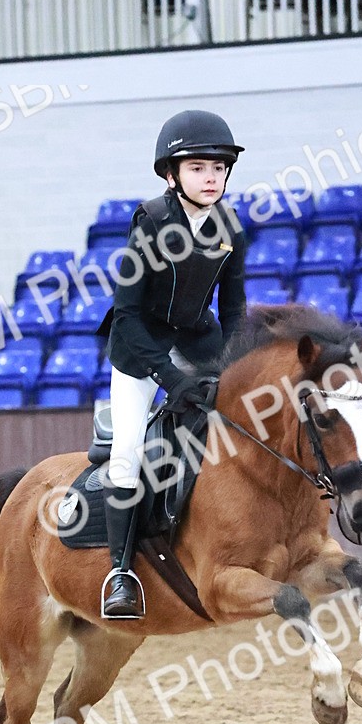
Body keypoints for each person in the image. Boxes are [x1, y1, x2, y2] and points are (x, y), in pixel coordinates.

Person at [97, 109, 247, 619]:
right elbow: (128, 314)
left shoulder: (230, 227)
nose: (212, 178)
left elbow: (233, 310)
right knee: (129, 449)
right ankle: (120, 573)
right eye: (200, 168)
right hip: (139, 347)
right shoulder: (152, 223)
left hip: (197, 341)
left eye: (219, 169)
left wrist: (233, 365)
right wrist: (170, 377)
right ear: (172, 174)